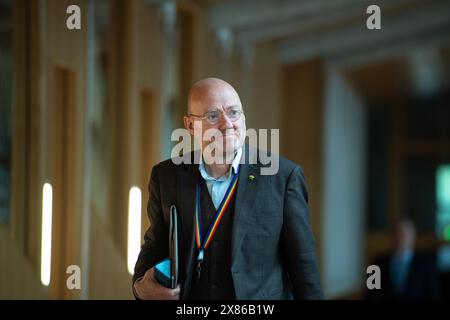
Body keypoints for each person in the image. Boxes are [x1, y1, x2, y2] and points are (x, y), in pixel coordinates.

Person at [132, 78, 323, 300]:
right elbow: (155, 246)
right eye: (213, 116)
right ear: (190, 125)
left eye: (233, 113)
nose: (227, 124)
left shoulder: (283, 177)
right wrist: (139, 288)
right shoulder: (166, 177)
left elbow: (304, 269)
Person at [366, 218, 440, 299]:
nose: (400, 238)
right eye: (397, 234)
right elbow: (370, 294)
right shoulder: (377, 262)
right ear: (392, 236)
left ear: (414, 236)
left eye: (404, 234)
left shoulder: (426, 264)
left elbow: (434, 295)